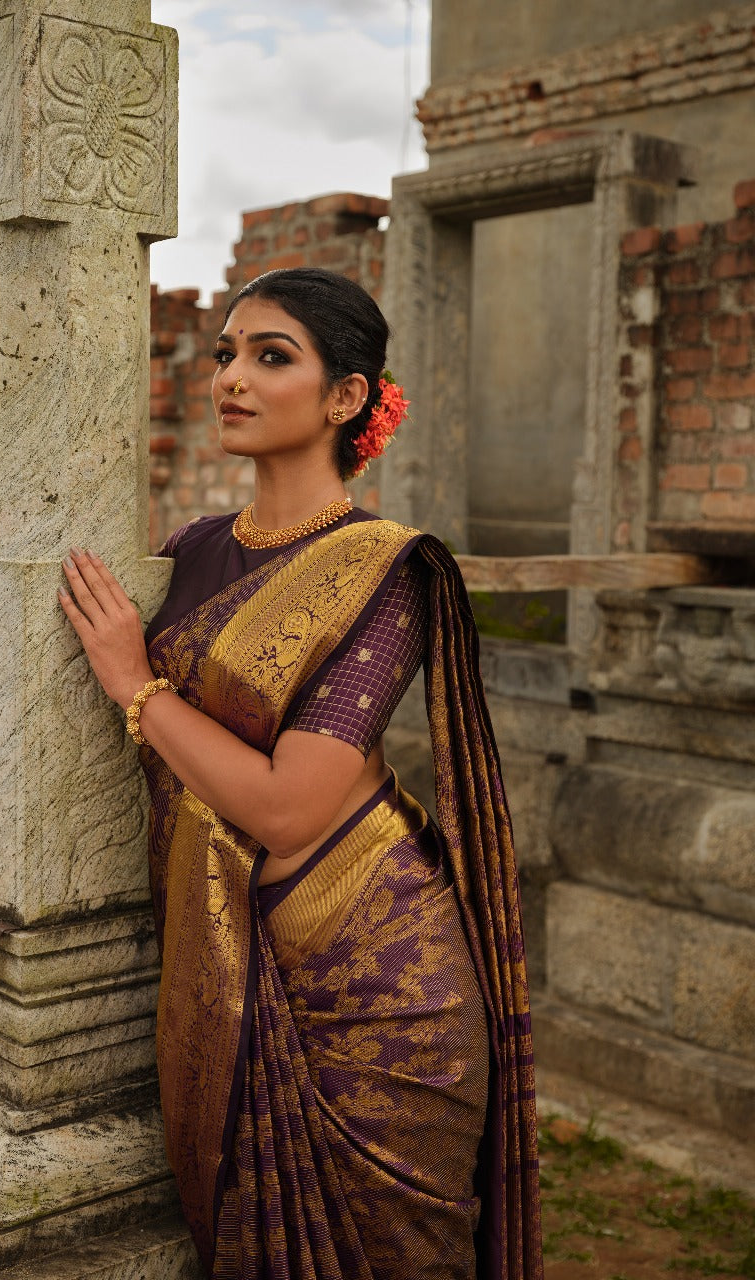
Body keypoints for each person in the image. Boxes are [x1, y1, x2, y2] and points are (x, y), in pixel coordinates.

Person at [58, 267, 543, 1279]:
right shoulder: (187, 554)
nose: (231, 376)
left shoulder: (386, 570)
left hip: (375, 978)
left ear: (346, 397)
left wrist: (135, 686)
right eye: (227, 352)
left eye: (271, 356)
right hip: (224, 962)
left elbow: (288, 808)